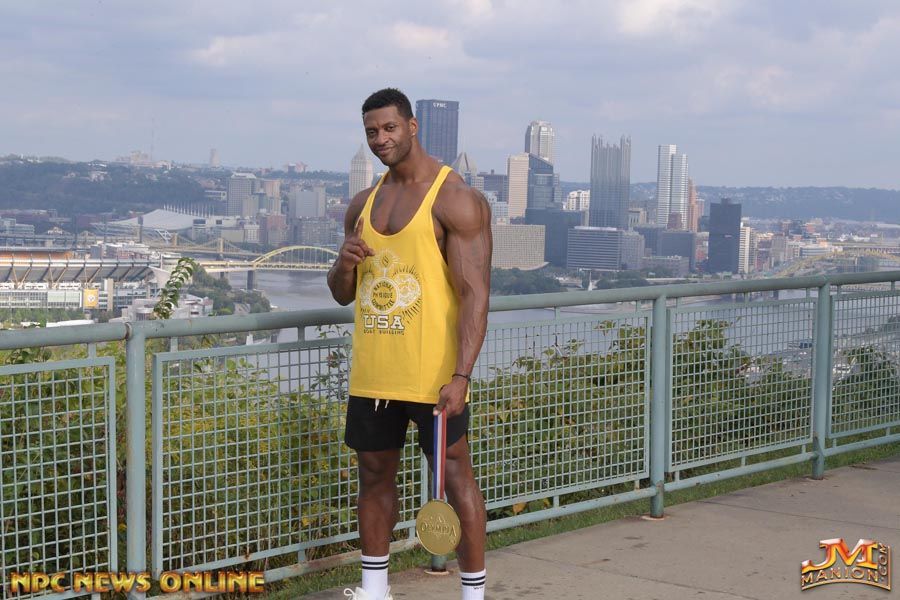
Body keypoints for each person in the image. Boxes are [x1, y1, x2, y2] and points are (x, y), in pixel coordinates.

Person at [328, 87, 492, 600]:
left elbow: (475, 295)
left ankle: (473, 596)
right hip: (374, 373)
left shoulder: (454, 198)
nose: (380, 139)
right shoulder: (362, 204)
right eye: (371, 132)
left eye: (389, 128)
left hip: (434, 376)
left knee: (456, 478)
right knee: (373, 477)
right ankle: (375, 590)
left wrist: (461, 376)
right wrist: (344, 263)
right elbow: (342, 293)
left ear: (412, 126)